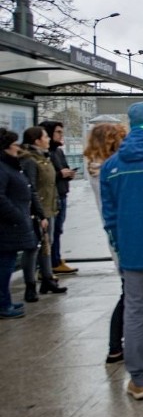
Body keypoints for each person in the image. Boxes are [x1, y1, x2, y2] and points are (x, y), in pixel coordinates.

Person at [101, 103, 143, 401]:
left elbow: (110, 218)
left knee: (135, 314)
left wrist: (119, 250)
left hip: (132, 254)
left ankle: (140, 381)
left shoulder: (111, 166)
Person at [18, 126, 66, 300]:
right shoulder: (30, 160)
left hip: (49, 206)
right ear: (36, 140)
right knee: (33, 247)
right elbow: (30, 188)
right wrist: (38, 213)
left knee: (47, 243)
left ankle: (47, 279)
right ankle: (30, 284)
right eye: (45, 136)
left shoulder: (45, 157)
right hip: (38, 210)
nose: (48, 139)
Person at [0, 128, 41, 319]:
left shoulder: (11, 165)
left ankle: (5, 301)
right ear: (6, 147)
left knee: (6, 264)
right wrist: (17, 215)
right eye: (15, 144)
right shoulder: (3, 167)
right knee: (4, 265)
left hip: (13, 222)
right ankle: (3, 304)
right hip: (8, 225)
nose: (18, 147)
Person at [38, 121, 78, 275]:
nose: (61, 135)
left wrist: (68, 174)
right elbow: (45, 176)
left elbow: (63, 169)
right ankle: (48, 265)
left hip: (62, 193)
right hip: (50, 197)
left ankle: (55, 260)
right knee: (50, 233)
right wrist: (61, 174)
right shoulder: (45, 154)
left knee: (58, 230)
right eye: (58, 132)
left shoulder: (58, 152)